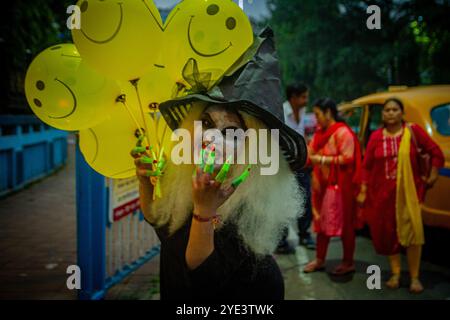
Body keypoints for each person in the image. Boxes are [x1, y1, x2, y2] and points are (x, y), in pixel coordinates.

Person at [132, 28, 308, 300]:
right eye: (205, 123)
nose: (210, 137)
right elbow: (161, 220)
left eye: (230, 131)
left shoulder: (251, 207)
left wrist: (204, 210)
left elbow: (203, 282)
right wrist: (145, 181)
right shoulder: (188, 179)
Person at [357, 98, 444, 293]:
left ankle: (414, 277)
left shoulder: (413, 132)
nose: (390, 113)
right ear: (383, 114)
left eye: (395, 109)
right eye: (387, 110)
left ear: (402, 113)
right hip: (382, 196)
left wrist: (433, 175)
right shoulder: (376, 137)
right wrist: (363, 190)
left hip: (409, 195)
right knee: (389, 235)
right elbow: (367, 166)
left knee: (413, 234)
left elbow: (436, 152)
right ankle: (396, 274)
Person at [303, 98, 362, 275]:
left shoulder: (343, 132)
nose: (316, 119)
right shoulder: (320, 133)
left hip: (341, 186)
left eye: (318, 114)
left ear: (328, 112)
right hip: (321, 185)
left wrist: (321, 159)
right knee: (320, 221)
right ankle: (320, 259)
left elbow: (348, 158)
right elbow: (310, 153)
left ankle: (348, 262)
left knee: (346, 223)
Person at [276, 83, 315, 253]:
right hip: (283, 166)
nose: (306, 100)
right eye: (303, 97)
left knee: (305, 199)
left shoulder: (304, 113)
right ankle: (281, 239)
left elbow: (304, 134)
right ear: (293, 97)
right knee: (281, 201)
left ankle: (305, 234)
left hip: (302, 164)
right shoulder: (280, 112)